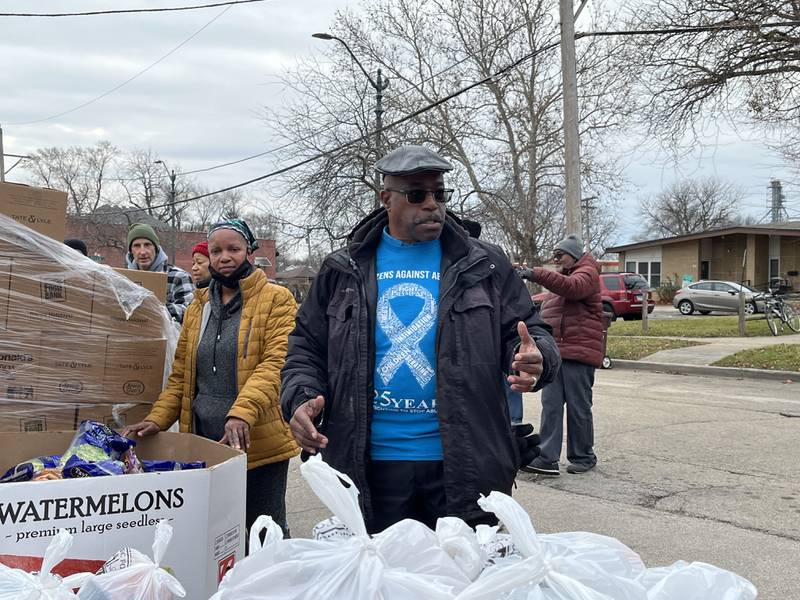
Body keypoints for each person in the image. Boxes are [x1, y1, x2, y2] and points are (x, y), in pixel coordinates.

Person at [280, 145, 560, 533]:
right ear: (386, 199)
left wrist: (537, 356)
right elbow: (306, 347)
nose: (432, 204)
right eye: (417, 194)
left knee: (463, 588)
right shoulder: (342, 269)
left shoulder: (485, 264)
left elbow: (530, 332)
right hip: (369, 468)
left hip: (465, 464)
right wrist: (300, 397)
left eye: (440, 193)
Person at [123, 218, 299, 534]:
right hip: (206, 440)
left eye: (234, 249)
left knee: (263, 533)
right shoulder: (198, 306)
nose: (224, 257)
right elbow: (181, 376)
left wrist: (242, 414)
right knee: (217, 533)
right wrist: (157, 419)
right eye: (216, 251)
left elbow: (276, 364)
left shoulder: (276, 299)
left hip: (257, 443)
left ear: (249, 251)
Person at [518, 235, 603, 475]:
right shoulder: (563, 278)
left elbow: (573, 289)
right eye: (554, 256)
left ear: (574, 255)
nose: (556, 260)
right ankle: (547, 457)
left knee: (578, 408)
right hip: (558, 354)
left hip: (579, 352)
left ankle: (583, 456)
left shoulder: (587, 273)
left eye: (560, 255)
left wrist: (533, 273)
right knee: (551, 405)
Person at [126, 223, 194, 323]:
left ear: (156, 248)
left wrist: (155, 307)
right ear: (131, 251)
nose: (143, 252)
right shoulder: (124, 279)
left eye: (147, 245)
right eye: (136, 246)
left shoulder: (178, 277)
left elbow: (190, 312)